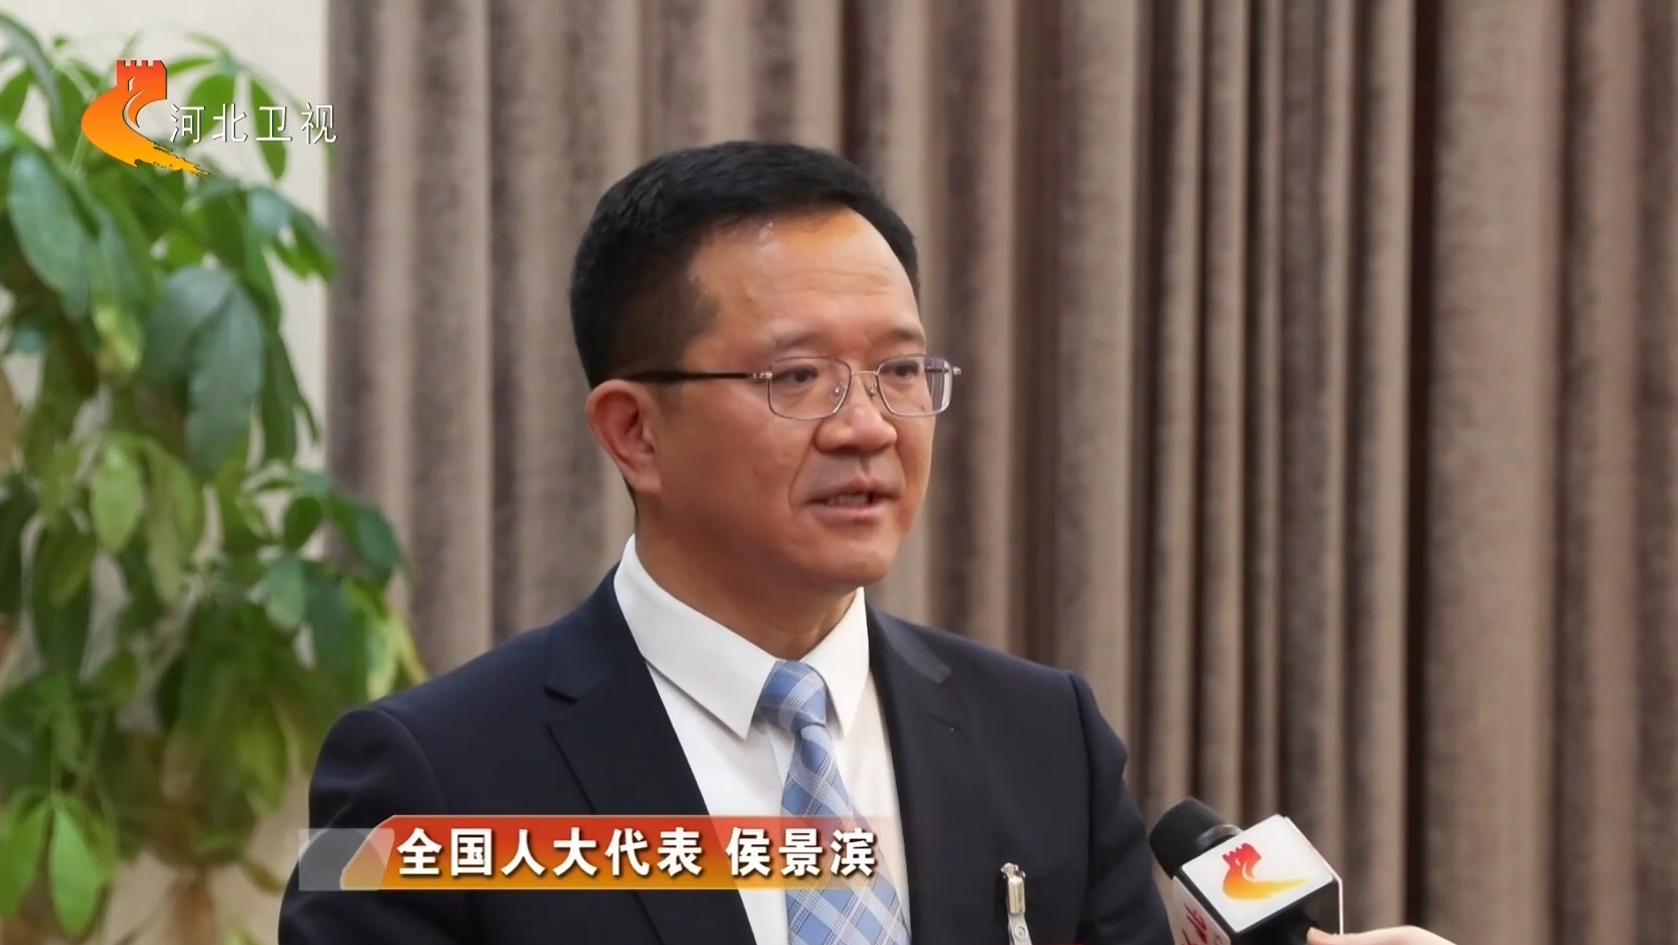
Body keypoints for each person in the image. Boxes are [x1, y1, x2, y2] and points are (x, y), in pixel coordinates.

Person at [278, 141, 1453, 945]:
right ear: (634, 431)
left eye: (899, 370)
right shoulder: (433, 780)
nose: (867, 426)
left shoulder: (1043, 738)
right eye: (796, 377)